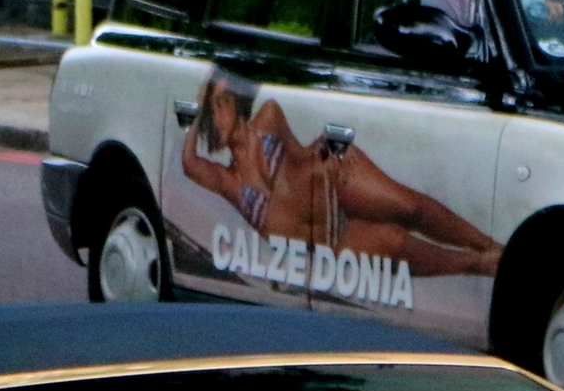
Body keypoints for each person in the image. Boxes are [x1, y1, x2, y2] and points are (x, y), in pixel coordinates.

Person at [180, 71, 503, 281]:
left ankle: (490, 246)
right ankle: (482, 263)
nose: (218, 112)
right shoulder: (227, 180)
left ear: (239, 102)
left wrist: (323, 155)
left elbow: (300, 154)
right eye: (212, 106)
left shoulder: (268, 119)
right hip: (328, 239)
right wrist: (196, 111)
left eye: (224, 101)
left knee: (408, 207)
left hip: (329, 187)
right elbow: (189, 162)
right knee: (394, 243)